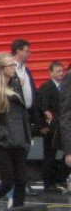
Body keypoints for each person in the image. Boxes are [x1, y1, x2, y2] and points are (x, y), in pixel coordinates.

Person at [0, 52, 32, 207]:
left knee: (21, 181)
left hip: (18, 141)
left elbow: (22, 114)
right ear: (1, 68)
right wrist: (4, 134)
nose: (13, 68)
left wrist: (26, 137)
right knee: (7, 182)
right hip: (2, 143)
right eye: (10, 65)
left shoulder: (15, 85)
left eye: (13, 65)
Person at [36, 60, 66, 192]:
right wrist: (43, 125)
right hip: (51, 127)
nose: (61, 74)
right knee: (50, 155)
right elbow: (42, 108)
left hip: (63, 126)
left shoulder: (64, 87)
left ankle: (59, 177)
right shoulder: (46, 87)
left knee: (64, 153)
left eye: (62, 71)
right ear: (50, 72)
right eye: (58, 71)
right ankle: (48, 183)